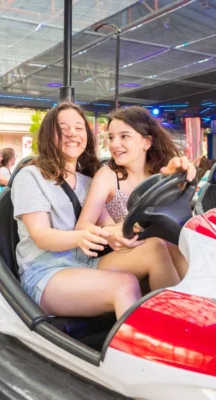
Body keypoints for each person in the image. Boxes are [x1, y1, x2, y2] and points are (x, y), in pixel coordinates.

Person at [13, 102, 181, 318]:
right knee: (125, 285)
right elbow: (41, 236)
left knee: (157, 247)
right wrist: (82, 237)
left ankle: (183, 324)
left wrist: (120, 235)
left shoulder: (87, 182)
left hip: (86, 263)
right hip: (46, 270)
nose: (72, 134)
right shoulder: (31, 176)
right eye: (63, 129)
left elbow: (109, 227)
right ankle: (142, 349)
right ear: (48, 135)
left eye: (79, 128)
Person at [77, 106, 195, 278]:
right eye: (111, 137)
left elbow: (176, 218)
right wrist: (110, 234)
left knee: (177, 244)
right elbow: (82, 225)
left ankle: (200, 298)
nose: (114, 144)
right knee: (158, 245)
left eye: (124, 136)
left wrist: (180, 176)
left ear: (146, 142)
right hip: (116, 253)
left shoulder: (159, 174)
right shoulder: (107, 176)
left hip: (157, 247)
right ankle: (175, 303)